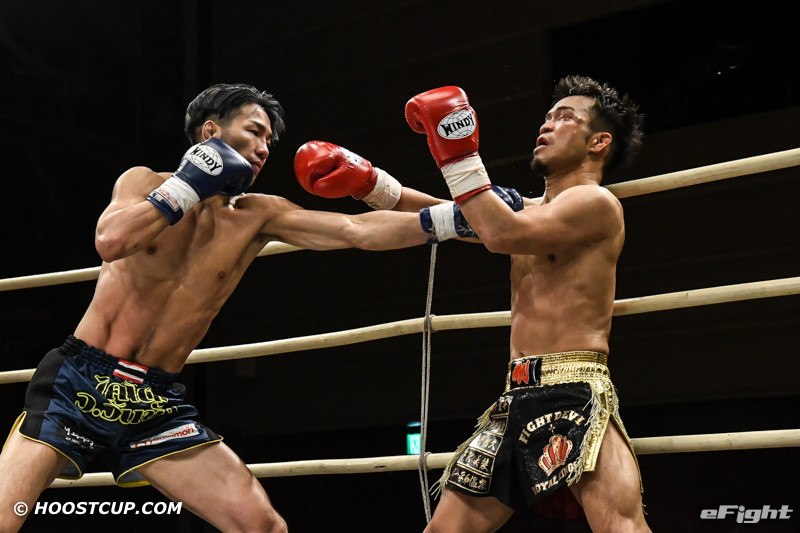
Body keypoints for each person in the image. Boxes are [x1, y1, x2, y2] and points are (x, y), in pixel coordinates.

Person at [0, 83, 434, 532]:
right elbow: (111, 241)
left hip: (151, 401)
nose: (264, 149)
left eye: (270, 141)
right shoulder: (144, 182)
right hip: (78, 383)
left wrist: (450, 219)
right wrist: (187, 185)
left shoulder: (258, 215)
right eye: (255, 131)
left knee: (262, 527)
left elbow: (357, 230)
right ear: (211, 132)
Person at [396, 76, 650, 532]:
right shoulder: (531, 211)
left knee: (619, 526)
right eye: (547, 116)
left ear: (599, 142)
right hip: (514, 395)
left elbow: (501, 234)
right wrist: (369, 184)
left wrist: (458, 155)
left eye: (565, 117)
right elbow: (451, 215)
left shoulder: (596, 203)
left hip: (572, 388)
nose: (546, 125)